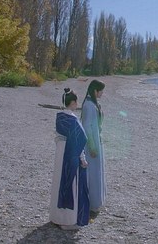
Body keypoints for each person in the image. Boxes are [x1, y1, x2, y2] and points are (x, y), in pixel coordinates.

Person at [50, 88, 90, 230]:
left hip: (60, 153)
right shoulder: (73, 120)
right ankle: (68, 221)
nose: (77, 104)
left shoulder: (60, 116)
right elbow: (79, 141)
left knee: (58, 183)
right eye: (76, 102)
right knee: (70, 184)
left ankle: (56, 217)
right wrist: (83, 159)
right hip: (71, 154)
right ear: (72, 102)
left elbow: (58, 136)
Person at [81, 79, 106, 212]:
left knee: (96, 172)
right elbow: (87, 126)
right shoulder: (89, 105)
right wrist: (92, 146)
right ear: (95, 91)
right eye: (101, 91)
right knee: (92, 173)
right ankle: (91, 203)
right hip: (92, 143)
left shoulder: (93, 104)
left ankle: (95, 201)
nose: (102, 93)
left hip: (97, 140)